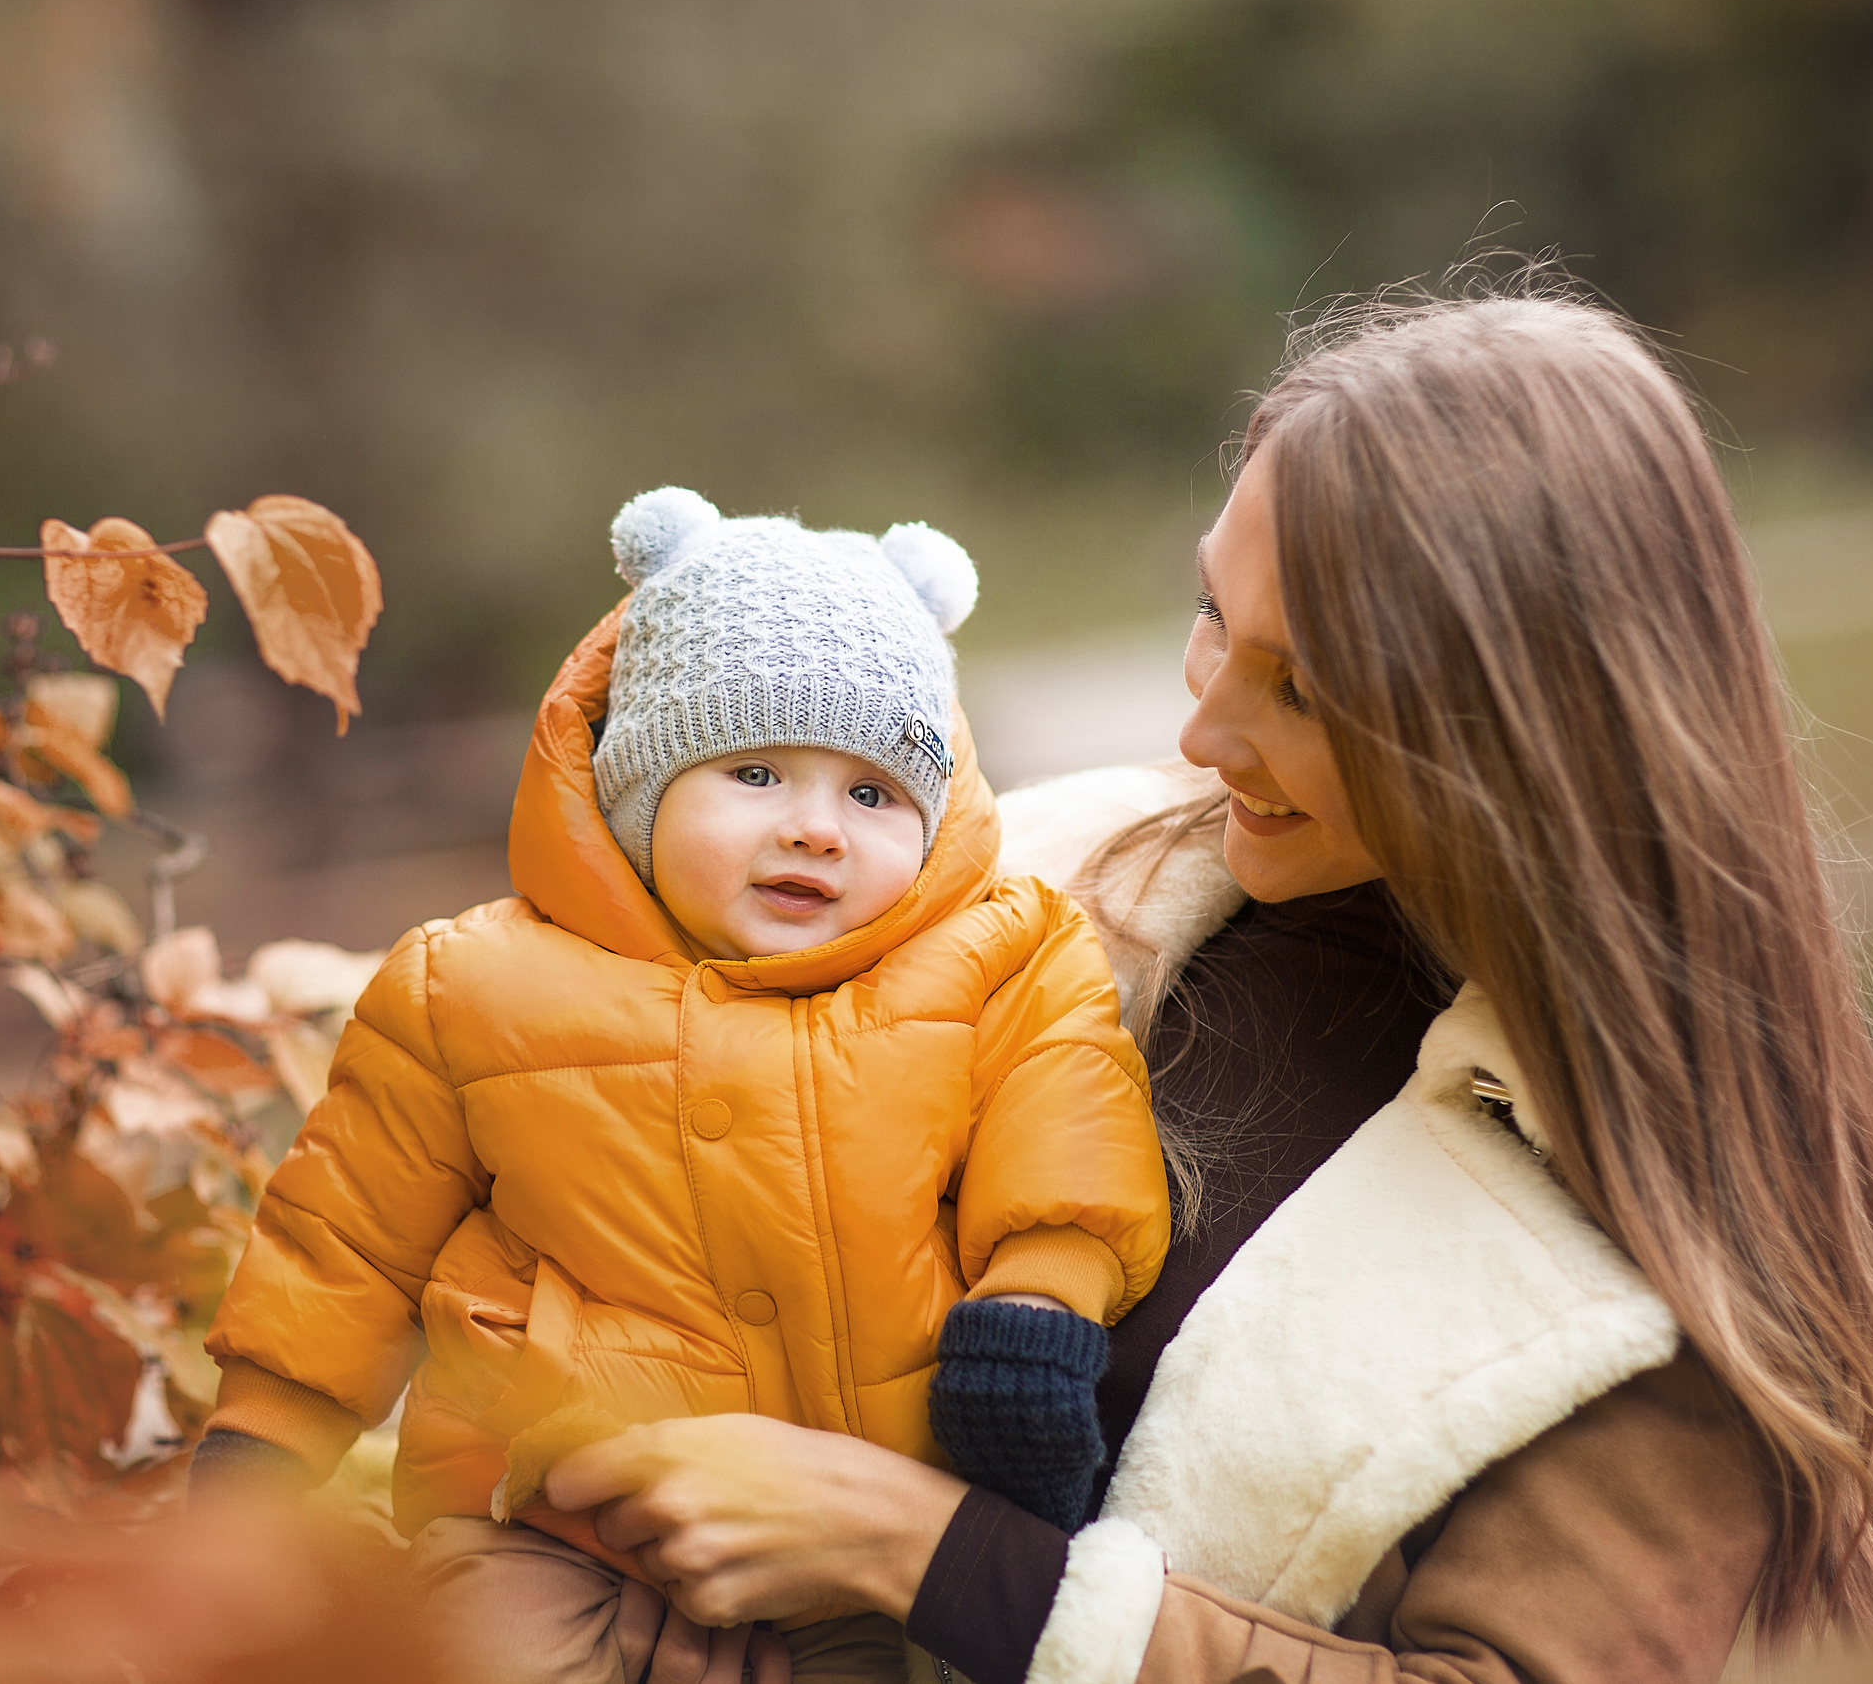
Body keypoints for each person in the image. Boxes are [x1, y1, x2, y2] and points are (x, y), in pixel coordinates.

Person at [542, 288, 1873, 1683]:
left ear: (1517, 735)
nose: (1202, 728)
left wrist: (905, 1547)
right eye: (1211, 614)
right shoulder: (1041, 870)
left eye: (1304, 690)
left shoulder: (1661, 1255)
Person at [192, 489, 1172, 1680]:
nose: (816, 828)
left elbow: (1068, 1133)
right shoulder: (471, 987)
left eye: (870, 794)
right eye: (754, 771)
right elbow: (342, 1246)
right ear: (634, 784)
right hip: (550, 1531)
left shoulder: (1000, 958)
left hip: (851, 1554)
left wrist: (1035, 1311)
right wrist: (262, 1446)